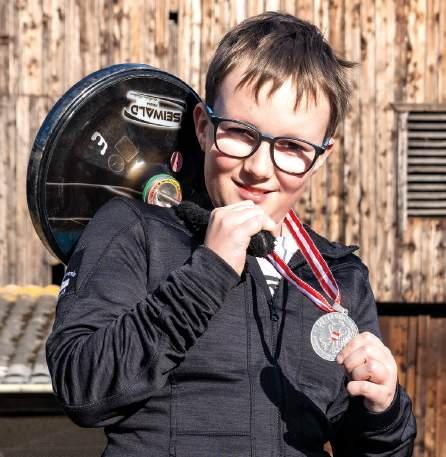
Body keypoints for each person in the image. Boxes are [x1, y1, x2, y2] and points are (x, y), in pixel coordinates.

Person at [46, 11, 416, 457]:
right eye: (241, 133)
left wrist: (384, 413)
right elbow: (80, 386)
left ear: (320, 158)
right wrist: (208, 273)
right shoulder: (135, 231)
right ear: (204, 127)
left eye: (292, 146)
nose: (258, 167)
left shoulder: (340, 279)